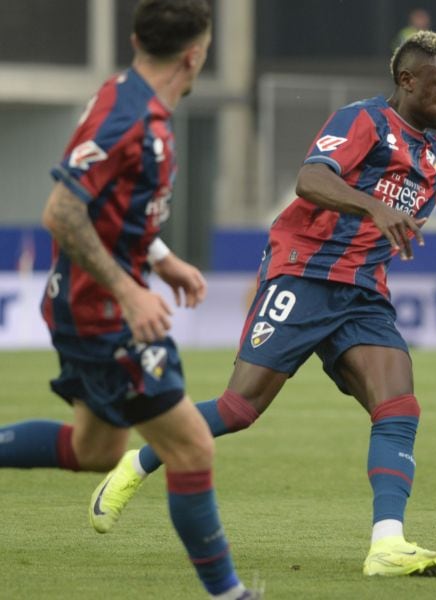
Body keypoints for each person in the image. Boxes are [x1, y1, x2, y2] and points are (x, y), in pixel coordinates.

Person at [88, 30, 436, 577]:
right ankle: (140, 458)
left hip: (363, 294)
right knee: (240, 409)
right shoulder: (362, 122)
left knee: (398, 405)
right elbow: (310, 178)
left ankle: (387, 544)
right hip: (305, 273)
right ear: (407, 81)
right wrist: (372, 208)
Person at [0, 1, 259, 598]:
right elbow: (61, 212)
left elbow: (111, 203)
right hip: (105, 314)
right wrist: (130, 291)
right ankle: (229, 593)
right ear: (195, 55)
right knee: (192, 446)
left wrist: (161, 259)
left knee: (95, 449)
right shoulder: (131, 119)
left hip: (91, 304)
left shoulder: (125, 95)